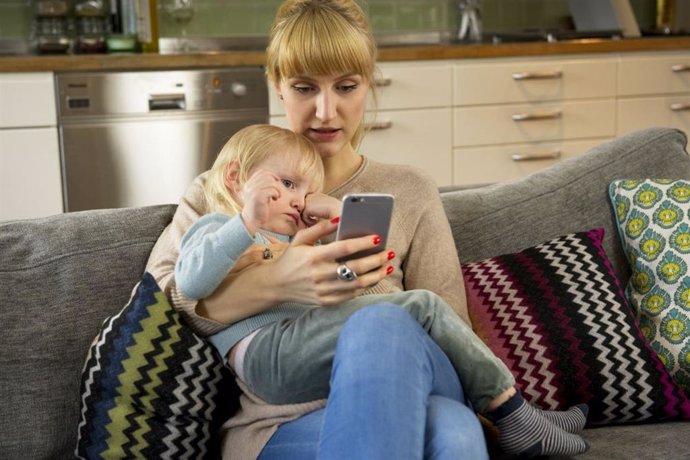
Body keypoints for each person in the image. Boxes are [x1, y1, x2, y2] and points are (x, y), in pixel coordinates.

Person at [145, 1, 587, 458]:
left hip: (414, 388)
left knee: (388, 331)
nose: (325, 111)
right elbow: (164, 298)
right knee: (451, 433)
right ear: (276, 85)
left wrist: (358, 291)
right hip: (282, 423)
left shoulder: (409, 191)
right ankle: (523, 422)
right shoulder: (230, 189)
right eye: (303, 87)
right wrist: (275, 277)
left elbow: (446, 327)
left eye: (346, 86)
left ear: (369, 83)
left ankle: (514, 418)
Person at [175, 123, 591, 458]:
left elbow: (338, 297)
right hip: (270, 359)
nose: (297, 201)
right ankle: (513, 411)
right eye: (285, 183)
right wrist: (247, 222)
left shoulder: (298, 233)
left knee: (455, 430)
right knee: (406, 311)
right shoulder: (217, 226)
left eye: (303, 190)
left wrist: (339, 222)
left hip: (334, 371)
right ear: (235, 178)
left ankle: (519, 417)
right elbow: (189, 284)